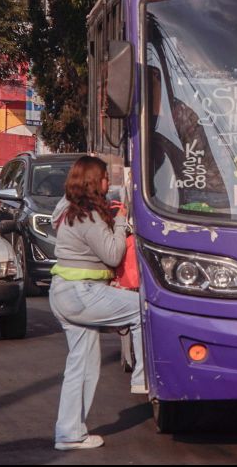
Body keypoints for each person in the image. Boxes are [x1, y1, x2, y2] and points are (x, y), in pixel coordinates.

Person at [48, 156, 145, 451]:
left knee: (82, 366)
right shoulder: (88, 217)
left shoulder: (67, 208)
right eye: (104, 178)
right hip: (81, 293)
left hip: (65, 292)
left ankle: (69, 434)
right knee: (142, 308)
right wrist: (120, 222)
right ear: (93, 181)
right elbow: (113, 254)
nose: (108, 182)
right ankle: (142, 378)